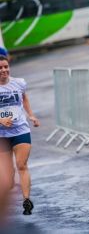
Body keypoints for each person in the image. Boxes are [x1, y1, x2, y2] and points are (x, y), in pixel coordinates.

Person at [0, 55, 40, 216]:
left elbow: (24, 98)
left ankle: (26, 200)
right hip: (1, 135)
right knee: (8, 176)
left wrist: (31, 115)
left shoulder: (19, 83)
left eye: (6, 67)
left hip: (20, 130)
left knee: (22, 165)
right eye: (0, 68)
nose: (4, 70)